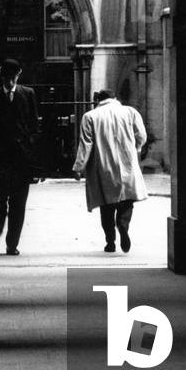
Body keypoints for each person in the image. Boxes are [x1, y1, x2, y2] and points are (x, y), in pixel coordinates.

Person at [72, 89, 148, 253]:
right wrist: (137, 148)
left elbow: (86, 144)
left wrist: (79, 167)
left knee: (106, 206)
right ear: (115, 98)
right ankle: (123, 224)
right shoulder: (130, 112)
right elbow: (141, 135)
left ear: (98, 100)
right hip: (127, 163)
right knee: (127, 201)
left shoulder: (90, 116)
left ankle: (110, 242)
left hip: (104, 166)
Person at [0, 58, 40, 256]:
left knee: (19, 203)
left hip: (23, 158)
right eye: (7, 77)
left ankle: (12, 243)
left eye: (13, 77)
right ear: (2, 77)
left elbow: (34, 125)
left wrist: (33, 154)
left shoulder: (28, 94)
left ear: (18, 75)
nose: (10, 81)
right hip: (1, 158)